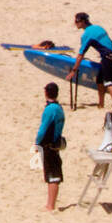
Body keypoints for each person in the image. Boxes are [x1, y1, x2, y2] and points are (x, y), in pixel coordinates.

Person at [70, 12, 112, 111]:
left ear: (83, 22)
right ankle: (101, 104)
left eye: (77, 21)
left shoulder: (87, 34)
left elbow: (81, 54)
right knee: (99, 81)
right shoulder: (98, 27)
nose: (75, 23)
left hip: (108, 58)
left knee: (108, 82)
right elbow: (110, 42)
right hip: (110, 56)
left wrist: (74, 70)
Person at [35, 81, 65, 211]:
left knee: (52, 176)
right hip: (56, 143)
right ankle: (50, 204)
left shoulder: (50, 109)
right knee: (54, 174)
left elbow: (43, 129)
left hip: (48, 145)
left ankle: (50, 205)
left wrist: (37, 143)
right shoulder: (59, 108)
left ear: (46, 93)